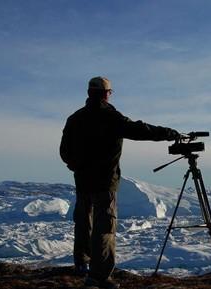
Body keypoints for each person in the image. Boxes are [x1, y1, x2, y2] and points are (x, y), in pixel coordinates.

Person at [60, 76, 179, 289]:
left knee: (84, 221)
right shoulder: (110, 117)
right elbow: (141, 130)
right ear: (107, 93)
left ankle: (82, 262)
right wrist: (169, 133)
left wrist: (77, 166)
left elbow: (64, 152)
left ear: (89, 92)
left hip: (83, 180)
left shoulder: (75, 118)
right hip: (105, 181)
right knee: (104, 226)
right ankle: (99, 277)